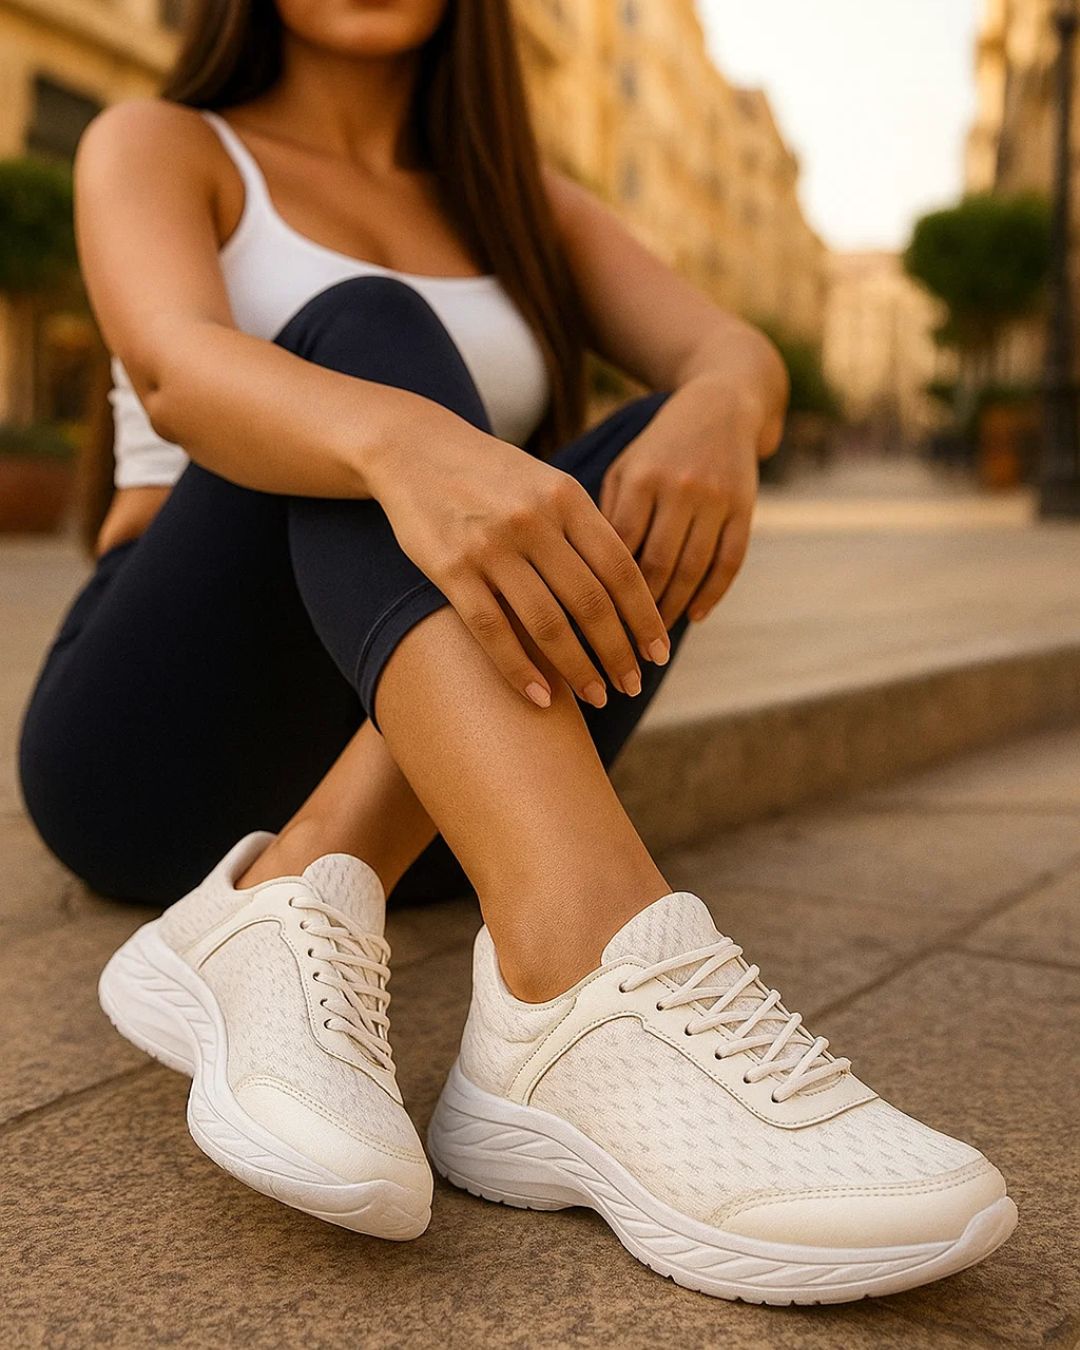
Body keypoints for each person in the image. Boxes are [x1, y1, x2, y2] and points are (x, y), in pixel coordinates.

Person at [18, 0, 1015, 1303]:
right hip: (162, 737)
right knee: (365, 332)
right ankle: (586, 969)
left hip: (450, 806)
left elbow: (730, 347)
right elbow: (182, 373)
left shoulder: (518, 201)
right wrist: (403, 445)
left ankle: (324, 894)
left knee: (641, 453)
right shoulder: (167, 141)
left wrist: (718, 405)